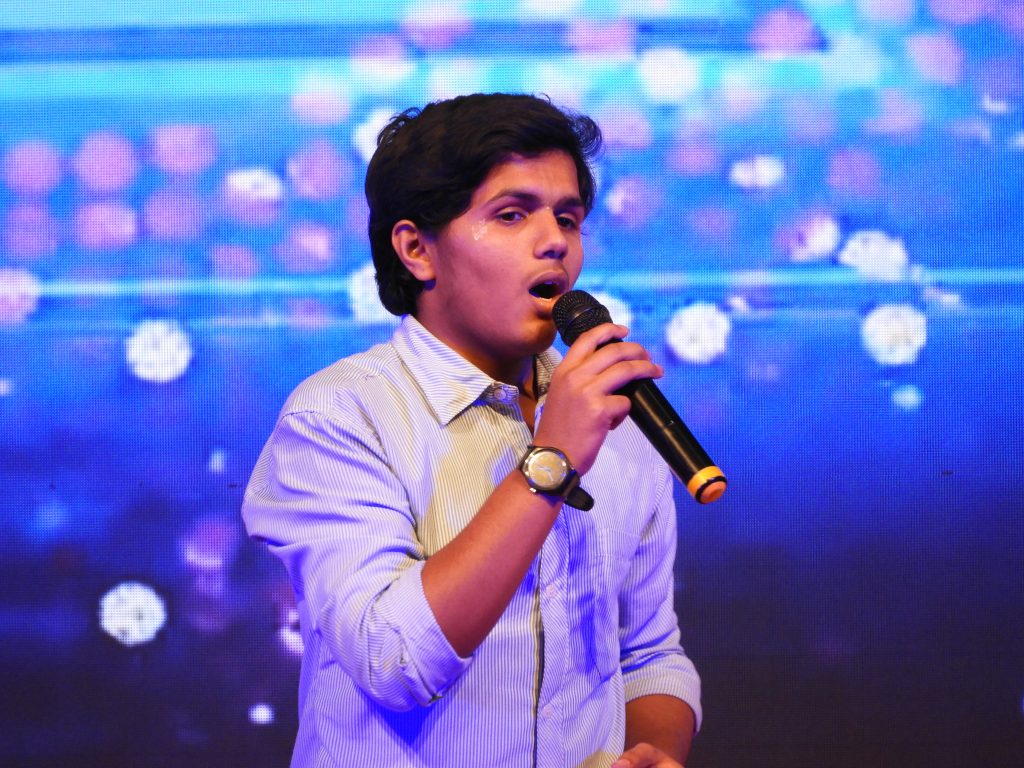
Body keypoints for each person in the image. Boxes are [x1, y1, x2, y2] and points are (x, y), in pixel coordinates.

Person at [242, 93, 702, 768]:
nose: (554, 242)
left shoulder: (617, 422)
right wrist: (551, 461)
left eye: (568, 218)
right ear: (417, 249)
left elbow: (647, 652)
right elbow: (392, 660)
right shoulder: (338, 416)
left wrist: (655, 750)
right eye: (512, 214)